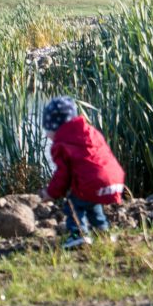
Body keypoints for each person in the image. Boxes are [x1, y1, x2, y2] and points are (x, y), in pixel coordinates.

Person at [39, 97, 126, 249]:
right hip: (114, 177)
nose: (47, 135)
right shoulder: (90, 132)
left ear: (57, 128)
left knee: (73, 204)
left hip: (92, 181)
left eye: (48, 130)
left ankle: (78, 235)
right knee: (91, 203)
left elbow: (62, 175)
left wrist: (51, 193)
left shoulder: (61, 145)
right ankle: (103, 231)